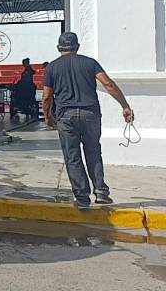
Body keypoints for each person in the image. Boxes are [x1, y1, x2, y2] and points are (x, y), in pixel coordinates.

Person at [43, 32, 134, 209]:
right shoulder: (90, 63)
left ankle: (82, 198)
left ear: (58, 48)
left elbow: (47, 97)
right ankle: (101, 192)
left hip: (66, 116)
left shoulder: (52, 68)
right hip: (90, 114)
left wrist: (48, 117)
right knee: (93, 152)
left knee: (72, 156)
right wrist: (125, 105)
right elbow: (108, 84)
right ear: (77, 47)